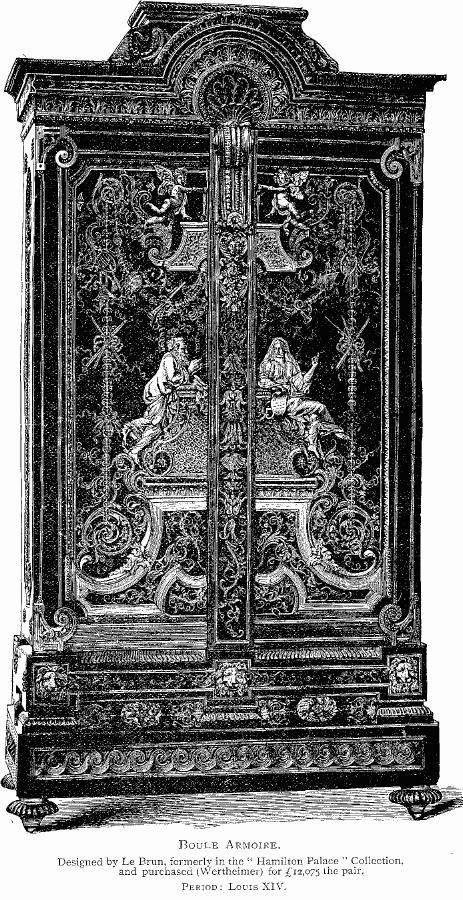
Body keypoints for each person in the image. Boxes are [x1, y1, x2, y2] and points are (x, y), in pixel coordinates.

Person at [258, 337, 347, 458]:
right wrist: (277, 386)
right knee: (320, 407)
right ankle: (336, 430)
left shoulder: (290, 365)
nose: (278, 351)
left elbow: (301, 383)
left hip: (295, 400)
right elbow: (262, 381)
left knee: (315, 418)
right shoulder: (268, 364)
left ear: (284, 350)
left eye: (280, 348)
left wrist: (313, 367)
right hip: (281, 402)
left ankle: (312, 446)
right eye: (276, 348)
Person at [123, 336, 203, 459]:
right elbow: (172, 379)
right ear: (175, 349)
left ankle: (134, 437)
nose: (186, 352)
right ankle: (133, 440)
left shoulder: (177, 360)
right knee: (155, 425)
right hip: (158, 395)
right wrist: (189, 370)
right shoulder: (169, 358)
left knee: (157, 426)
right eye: (183, 349)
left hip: (165, 396)